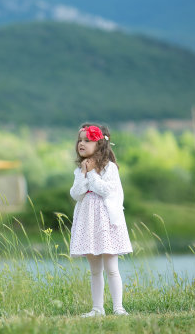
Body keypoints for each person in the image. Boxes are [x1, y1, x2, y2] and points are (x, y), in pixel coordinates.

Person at [69, 123, 132, 317]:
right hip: (88, 222)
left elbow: (106, 190)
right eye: (80, 140)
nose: (82, 143)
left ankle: (118, 307)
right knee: (95, 270)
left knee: (112, 268)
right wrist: (83, 173)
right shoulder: (81, 169)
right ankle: (97, 308)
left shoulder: (109, 167)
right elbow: (76, 194)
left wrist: (93, 174)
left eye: (87, 140)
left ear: (99, 144)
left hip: (106, 222)